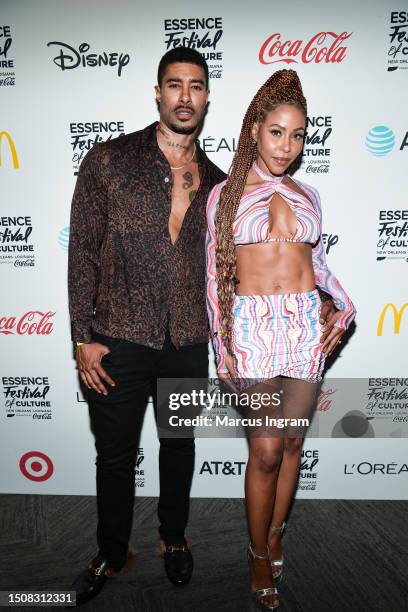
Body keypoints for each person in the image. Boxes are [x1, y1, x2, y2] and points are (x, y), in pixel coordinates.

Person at [67, 47, 226, 606]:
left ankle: (173, 538)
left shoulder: (219, 183)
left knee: (178, 447)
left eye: (197, 86)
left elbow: (228, 271)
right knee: (114, 457)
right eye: (175, 84)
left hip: (186, 342)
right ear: (157, 92)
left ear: (207, 97)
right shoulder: (110, 160)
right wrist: (82, 335)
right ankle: (111, 552)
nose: (186, 96)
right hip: (117, 339)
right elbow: (82, 250)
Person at [206, 69, 356, 610]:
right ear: (253, 131)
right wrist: (223, 345)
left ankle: (275, 535)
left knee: (292, 444)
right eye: (277, 132)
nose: (287, 146)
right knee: (265, 451)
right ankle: (254, 551)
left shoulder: (308, 194)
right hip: (249, 329)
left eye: (297, 136)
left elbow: (316, 264)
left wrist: (344, 302)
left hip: (302, 327)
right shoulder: (222, 196)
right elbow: (212, 275)